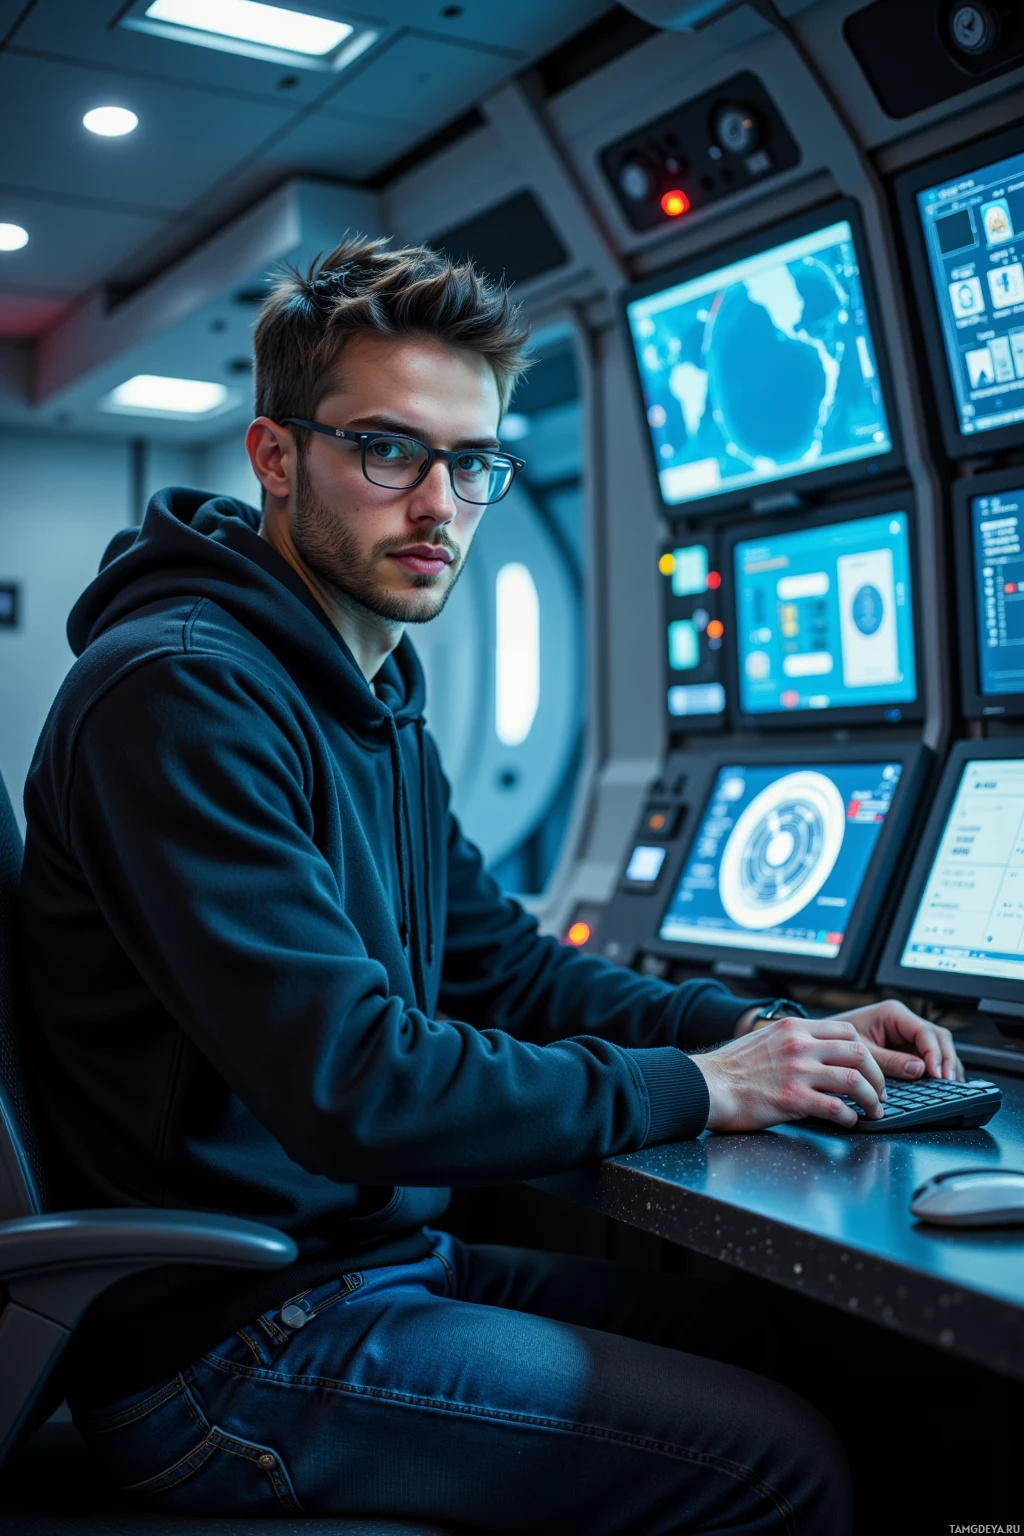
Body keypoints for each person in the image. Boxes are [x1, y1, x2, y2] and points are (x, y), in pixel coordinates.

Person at [21, 236, 961, 1534]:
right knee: (778, 1461)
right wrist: (703, 1090)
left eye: (472, 463)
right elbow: (356, 1082)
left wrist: (753, 1037)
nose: (438, 505)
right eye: (389, 449)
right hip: (225, 1343)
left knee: (782, 1349)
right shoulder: (180, 692)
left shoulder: (366, 690)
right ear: (276, 458)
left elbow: (501, 968)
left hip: (361, 1268)